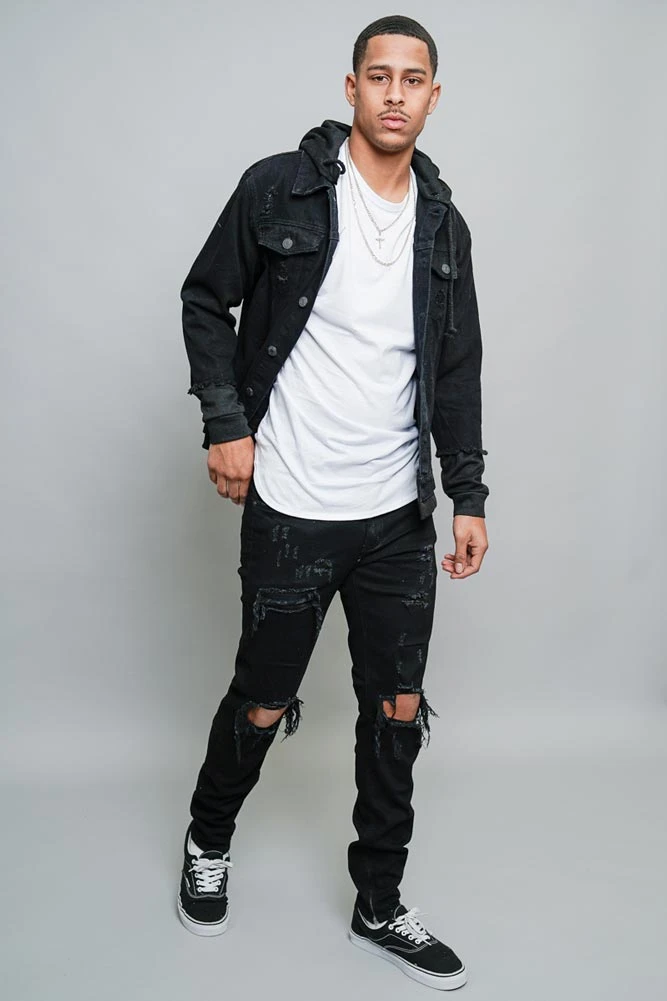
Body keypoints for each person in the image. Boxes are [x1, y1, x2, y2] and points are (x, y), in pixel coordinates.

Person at [177, 14, 489, 991]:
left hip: (397, 518)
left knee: (396, 709)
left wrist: (468, 492)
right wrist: (226, 422)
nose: (395, 93)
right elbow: (204, 298)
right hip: (293, 505)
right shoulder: (280, 187)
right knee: (263, 697)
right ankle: (208, 836)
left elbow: (457, 368)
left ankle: (377, 900)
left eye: (413, 79)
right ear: (351, 87)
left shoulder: (443, 227)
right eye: (378, 76)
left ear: (433, 96)